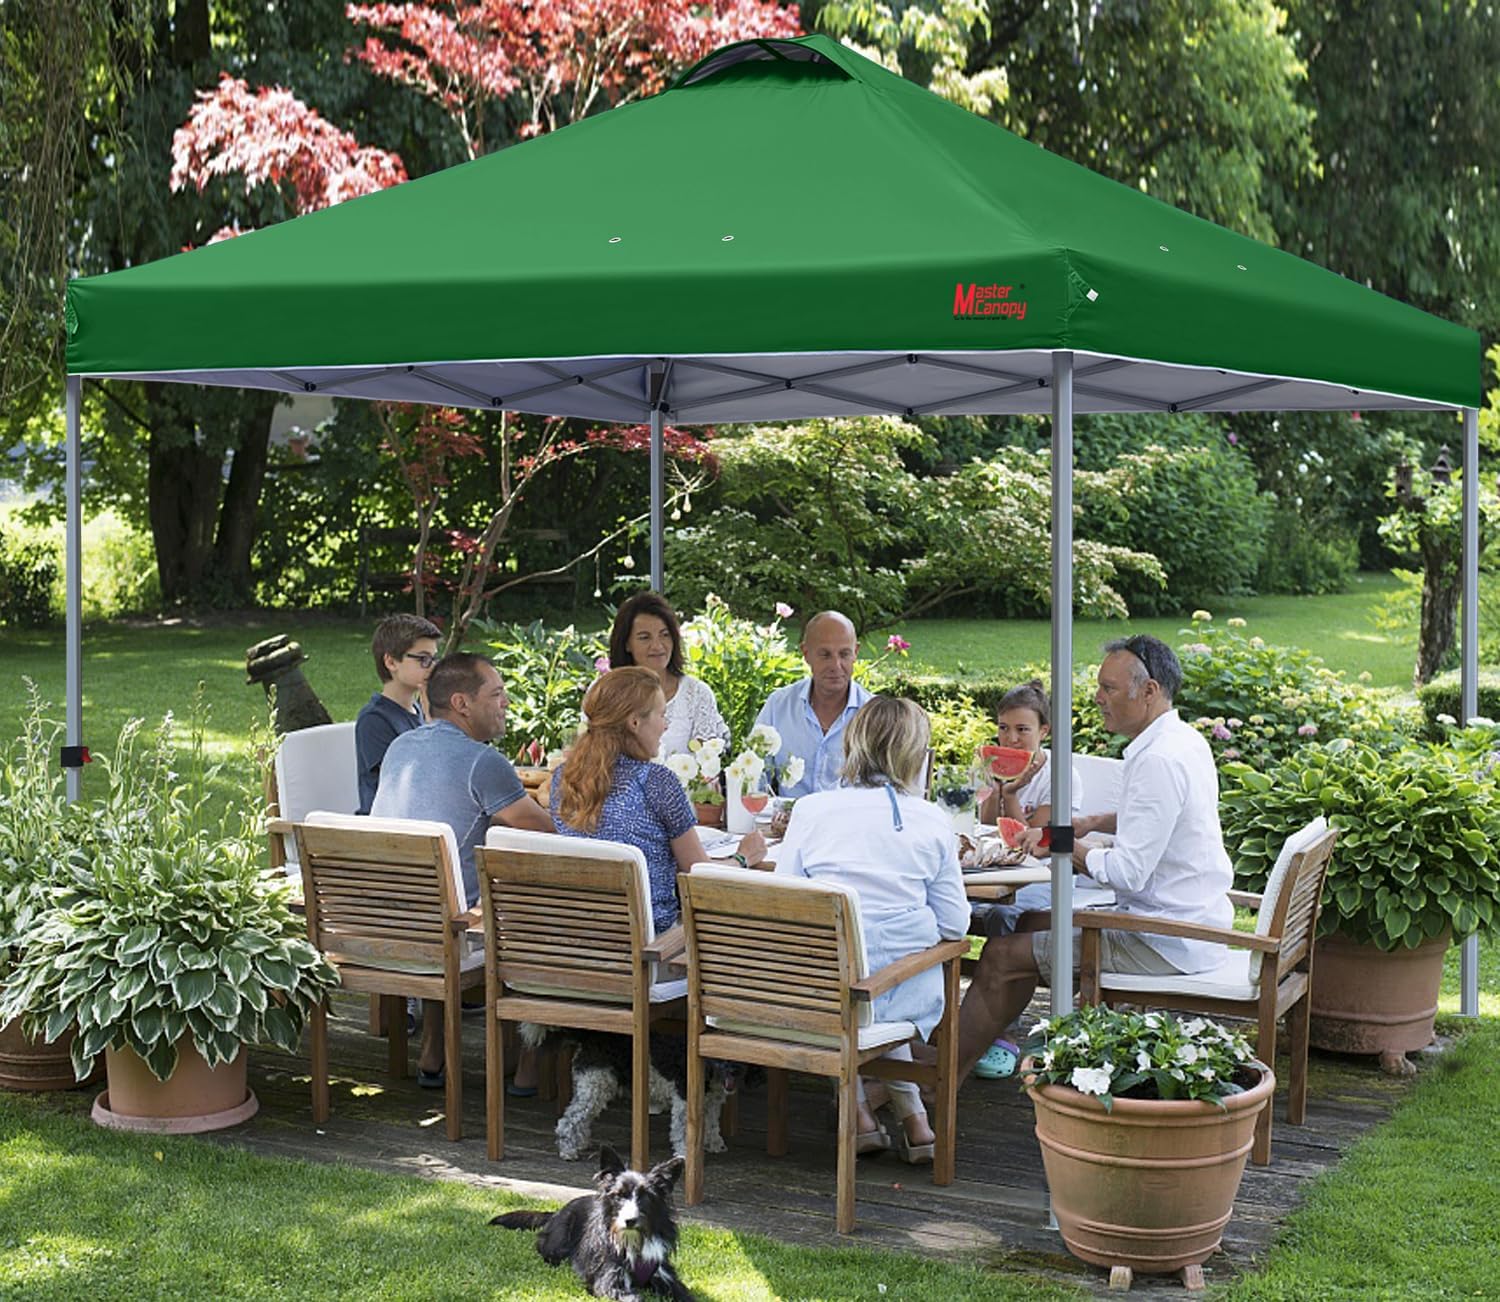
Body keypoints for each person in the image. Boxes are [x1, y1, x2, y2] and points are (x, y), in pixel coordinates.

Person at [956, 635, 1234, 1083]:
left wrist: (1063, 843)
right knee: (1026, 925)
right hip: (1189, 919)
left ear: (1149, 691)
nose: (1098, 698)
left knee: (1001, 955)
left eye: (1108, 688)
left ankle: (940, 1073)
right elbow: (1159, 818)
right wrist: (1091, 823)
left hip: (1164, 937)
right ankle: (970, 1055)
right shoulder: (1182, 740)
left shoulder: (1158, 761)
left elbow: (1127, 874)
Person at [774, 696, 969, 1161]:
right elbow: (955, 924)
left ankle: (863, 1114)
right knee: (880, 974)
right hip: (898, 992)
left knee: (849, 970)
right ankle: (914, 1121)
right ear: (915, 754)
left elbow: (785, 899)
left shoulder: (812, 810)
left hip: (821, 989)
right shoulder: (930, 818)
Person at [372, 652, 554, 1087]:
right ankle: (529, 1060)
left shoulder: (401, 747)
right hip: (451, 931)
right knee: (536, 901)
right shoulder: (482, 761)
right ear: (462, 703)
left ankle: (434, 1044)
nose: (506, 703)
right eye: (497, 694)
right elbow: (547, 831)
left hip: (385, 920)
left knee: (445, 889)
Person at [551, 667, 764, 933]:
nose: (666, 725)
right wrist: (744, 857)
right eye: (662, 715)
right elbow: (700, 877)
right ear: (634, 723)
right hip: (651, 945)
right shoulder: (656, 781)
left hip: (580, 938)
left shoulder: (564, 779)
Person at [753, 610, 871, 797]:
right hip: (788, 816)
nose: (836, 665)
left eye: (844, 654)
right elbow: (753, 775)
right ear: (806, 653)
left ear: (855, 652)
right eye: (825, 655)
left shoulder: (874, 716)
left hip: (851, 816)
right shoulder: (779, 706)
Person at [607, 592, 729, 759]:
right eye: (645, 638)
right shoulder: (606, 693)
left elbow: (707, 764)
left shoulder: (697, 694)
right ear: (627, 643)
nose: (657, 646)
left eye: (665, 635)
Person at [354, 613, 441, 815]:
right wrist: (433, 724)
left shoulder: (419, 709)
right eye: (423, 659)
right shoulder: (374, 720)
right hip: (388, 825)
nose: (433, 667)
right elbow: (414, 784)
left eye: (434, 659)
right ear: (391, 662)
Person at [976, 678, 1083, 837]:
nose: (1011, 739)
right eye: (1003, 728)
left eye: (1022, 729)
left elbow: (1036, 842)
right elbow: (987, 831)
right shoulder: (991, 765)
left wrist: (1010, 795)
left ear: (1043, 731)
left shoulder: (1061, 779)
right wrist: (994, 792)